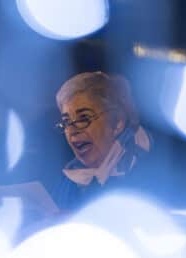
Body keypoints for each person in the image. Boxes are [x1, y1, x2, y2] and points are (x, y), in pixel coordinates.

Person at [52, 71, 152, 210]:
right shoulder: (69, 180)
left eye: (84, 118)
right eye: (66, 121)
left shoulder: (148, 173)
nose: (73, 130)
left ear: (117, 123)